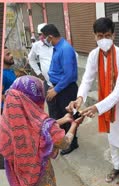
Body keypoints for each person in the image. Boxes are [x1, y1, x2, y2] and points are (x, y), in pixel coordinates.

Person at [66, 17, 119, 186]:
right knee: (112, 138)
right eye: (100, 36)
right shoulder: (93, 55)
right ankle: (115, 167)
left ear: (113, 35)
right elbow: (86, 79)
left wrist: (97, 107)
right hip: (107, 102)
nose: (104, 39)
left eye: (107, 35)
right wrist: (80, 98)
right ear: (95, 36)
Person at [0, 75, 83, 186]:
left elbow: (34, 129)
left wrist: (61, 120)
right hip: (39, 178)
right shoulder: (46, 126)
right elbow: (65, 142)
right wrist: (74, 124)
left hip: (18, 174)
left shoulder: (8, 122)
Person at [41, 24, 79, 155]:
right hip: (59, 87)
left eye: (44, 38)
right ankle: (62, 139)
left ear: (50, 37)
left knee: (70, 115)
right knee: (60, 115)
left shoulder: (65, 49)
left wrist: (56, 89)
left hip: (66, 89)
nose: (43, 40)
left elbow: (68, 75)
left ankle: (72, 143)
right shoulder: (57, 47)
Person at [28, 23, 55, 116]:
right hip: (48, 84)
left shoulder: (58, 44)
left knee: (66, 108)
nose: (42, 37)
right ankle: (56, 129)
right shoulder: (36, 46)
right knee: (52, 109)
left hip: (62, 84)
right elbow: (31, 59)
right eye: (40, 35)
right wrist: (39, 73)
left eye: (44, 34)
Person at [2, 47, 16, 112]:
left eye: (10, 53)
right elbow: (1, 96)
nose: (12, 55)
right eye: (8, 54)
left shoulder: (11, 71)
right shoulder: (3, 75)